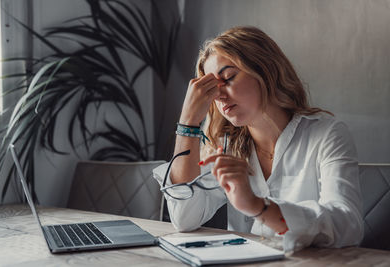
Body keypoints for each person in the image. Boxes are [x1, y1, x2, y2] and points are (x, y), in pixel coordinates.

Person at [153, 26, 363, 252]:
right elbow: (184, 218)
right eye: (212, 89)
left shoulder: (327, 135)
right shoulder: (225, 146)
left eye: (229, 77)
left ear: (265, 69)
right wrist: (188, 121)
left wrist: (259, 207)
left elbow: (347, 225)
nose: (220, 95)